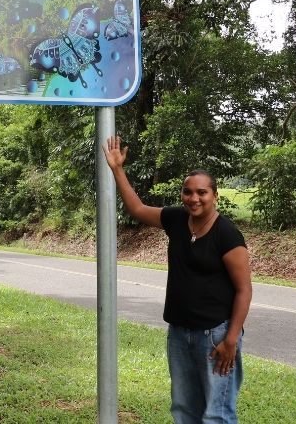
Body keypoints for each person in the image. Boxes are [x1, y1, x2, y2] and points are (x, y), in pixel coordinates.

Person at [102, 136, 252, 424]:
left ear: (214, 195)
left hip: (216, 336)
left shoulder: (227, 234)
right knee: (183, 410)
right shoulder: (175, 219)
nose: (194, 198)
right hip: (180, 334)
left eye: (202, 193)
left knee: (216, 414)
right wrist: (117, 169)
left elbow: (244, 291)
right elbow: (138, 209)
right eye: (187, 192)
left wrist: (231, 339)